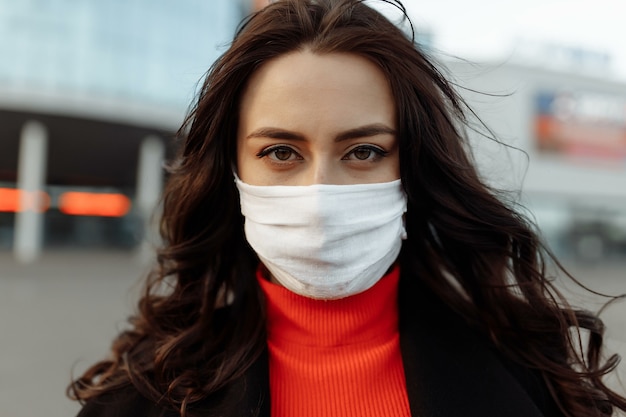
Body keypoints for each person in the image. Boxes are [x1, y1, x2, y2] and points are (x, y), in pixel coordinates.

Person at [68, 1, 626, 416]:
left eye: (364, 151)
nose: (320, 194)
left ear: (413, 170)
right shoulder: (136, 399)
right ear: (232, 172)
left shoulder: (530, 378)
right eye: (281, 152)